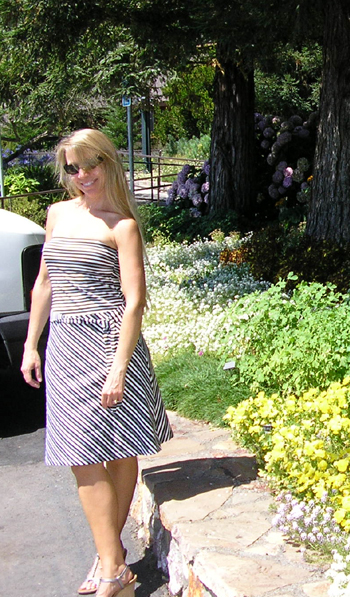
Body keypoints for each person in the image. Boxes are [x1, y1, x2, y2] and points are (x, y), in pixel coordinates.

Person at [21, 129, 173, 597]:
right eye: (72, 168)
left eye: (91, 165)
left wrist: (119, 368)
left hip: (110, 344)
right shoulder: (58, 213)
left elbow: (133, 302)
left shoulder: (121, 224)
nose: (82, 176)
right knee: (80, 457)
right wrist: (31, 343)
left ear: (109, 163)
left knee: (120, 448)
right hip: (66, 344)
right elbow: (45, 283)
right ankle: (113, 560)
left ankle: (110, 567)